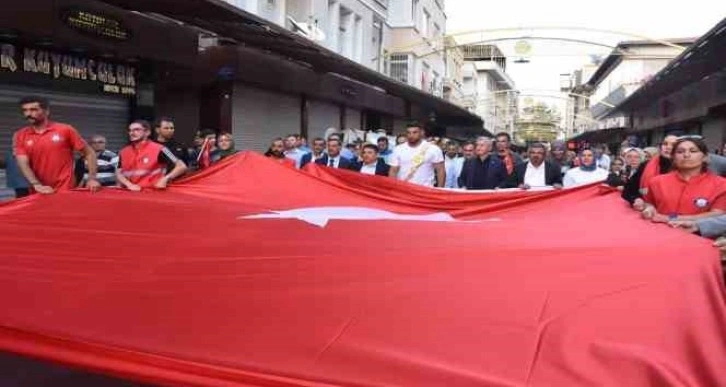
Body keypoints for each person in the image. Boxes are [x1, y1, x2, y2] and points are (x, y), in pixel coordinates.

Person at [13, 96, 101, 194]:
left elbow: (89, 153)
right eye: (25, 110)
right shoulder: (20, 135)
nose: (28, 114)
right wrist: (36, 184)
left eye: (33, 110)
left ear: (46, 111)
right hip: (40, 191)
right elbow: (23, 163)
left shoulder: (65, 130)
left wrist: (92, 178)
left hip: (66, 189)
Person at [641, 137, 726, 222]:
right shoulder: (656, 182)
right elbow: (649, 203)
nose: (686, 155)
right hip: (659, 231)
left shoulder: (721, 185)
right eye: (680, 152)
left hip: (697, 234)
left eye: (693, 151)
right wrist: (649, 209)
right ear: (673, 157)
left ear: (705, 157)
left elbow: (717, 214)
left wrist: (670, 218)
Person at [116, 120, 188, 191]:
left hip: (152, 192)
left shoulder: (160, 149)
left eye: (137, 130)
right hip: (131, 192)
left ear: (147, 132)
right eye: (130, 130)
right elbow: (118, 172)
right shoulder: (123, 151)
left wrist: (165, 179)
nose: (131, 133)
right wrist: (129, 185)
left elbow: (182, 166)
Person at [622, 134, 679, 209]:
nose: (668, 147)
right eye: (665, 144)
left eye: (673, 145)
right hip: (647, 212)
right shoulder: (646, 165)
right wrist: (636, 199)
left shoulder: (687, 168)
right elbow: (628, 190)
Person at [389, 122, 445, 187]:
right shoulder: (398, 149)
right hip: (403, 189)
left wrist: (439, 190)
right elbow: (393, 171)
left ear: (422, 132)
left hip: (424, 190)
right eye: (408, 132)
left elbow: (440, 171)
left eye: (415, 132)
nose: (411, 135)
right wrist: (392, 188)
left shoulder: (433, 149)